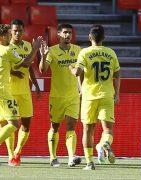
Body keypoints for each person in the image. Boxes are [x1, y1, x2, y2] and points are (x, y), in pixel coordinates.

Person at [69, 24, 121, 170]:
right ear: (104, 37)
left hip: (89, 96)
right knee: (108, 130)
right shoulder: (111, 53)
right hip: (106, 95)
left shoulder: (84, 53)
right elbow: (117, 75)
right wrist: (117, 94)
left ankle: (89, 162)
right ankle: (105, 143)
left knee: (87, 129)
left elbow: (77, 72)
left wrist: (71, 68)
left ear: (90, 37)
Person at [39, 24, 81, 167]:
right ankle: (53, 157)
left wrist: (82, 88)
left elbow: (82, 71)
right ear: (58, 34)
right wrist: (43, 57)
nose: (68, 35)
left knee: (71, 126)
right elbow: (42, 69)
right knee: (55, 127)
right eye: (65, 32)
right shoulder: (52, 51)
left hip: (73, 96)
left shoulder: (78, 50)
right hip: (57, 96)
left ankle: (71, 158)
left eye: (70, 32)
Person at [0, 19, 41, 166]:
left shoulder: (27, 46)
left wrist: (35, 84)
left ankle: (18, 151)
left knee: (25, 125)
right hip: (8, 91)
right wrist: (13, 71)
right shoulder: (7, 47)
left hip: (24, 91)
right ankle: (11, 155)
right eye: (14, 30)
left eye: (19, 30)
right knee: (7, 124)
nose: (17, 33)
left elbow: (29, 66)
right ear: (10, 32)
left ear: (23, 31)